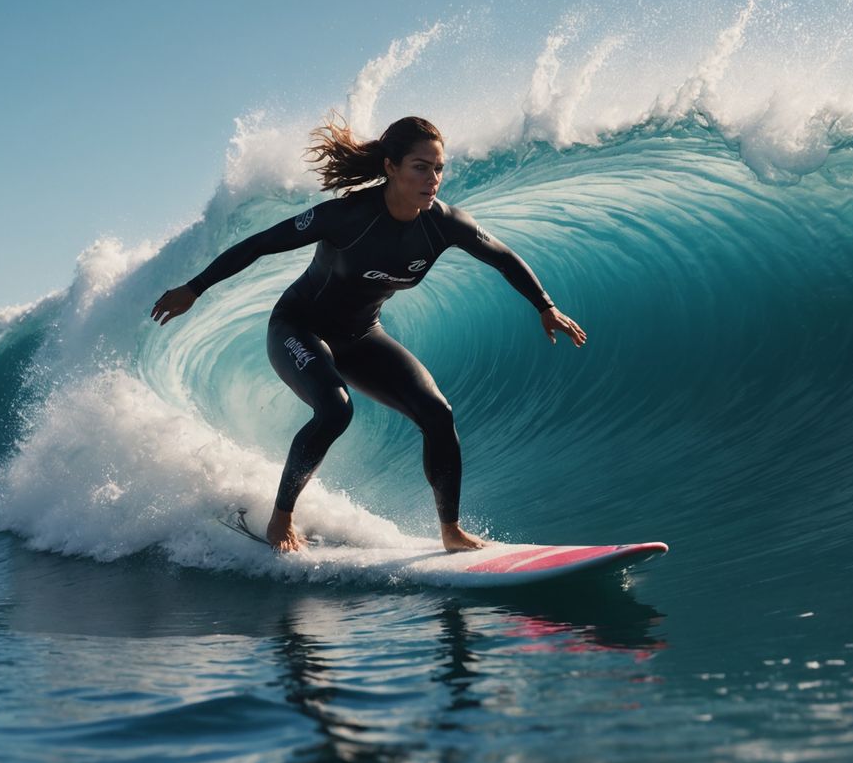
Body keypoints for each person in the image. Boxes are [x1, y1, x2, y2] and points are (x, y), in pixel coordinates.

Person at [151, 116, 586, 552]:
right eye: (421, 167)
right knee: (335, 409)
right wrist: (195, 287)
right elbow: (261, 243)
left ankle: (451, 532)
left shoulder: (443, 223)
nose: (433, 179)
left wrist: (545, 306)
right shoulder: (346, 216)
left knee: (438, 413)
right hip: (298, 326)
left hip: (360, 335)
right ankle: (280, 521)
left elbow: (504, 258)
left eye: (438, 168)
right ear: (391, 166)